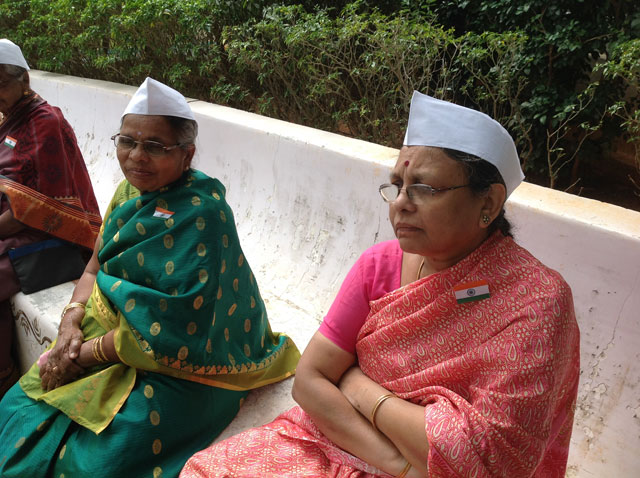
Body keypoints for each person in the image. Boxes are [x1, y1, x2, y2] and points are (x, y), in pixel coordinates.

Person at [180, 91, 580, 478]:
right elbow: (310, 381)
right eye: (398, 186)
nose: (401, 203)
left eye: (425, 188)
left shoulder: (535, 302)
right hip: (337, 443)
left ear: (489, 204)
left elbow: (485, 459)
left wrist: (357, 386)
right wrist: (399, 464)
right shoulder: (379, 265)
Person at [0, 77, 300, 477]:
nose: (136, 156)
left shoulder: (203, 214)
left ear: (187, 154)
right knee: (16, 408)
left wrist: (78, 356)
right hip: (106, 330)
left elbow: (173, 328)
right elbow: (95, 265)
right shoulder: (128, 192)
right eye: (127, 142)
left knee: (95, 462)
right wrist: (71, 321)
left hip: (182, 359)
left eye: (155, 147)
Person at [0, 39, 101, 399]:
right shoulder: (9, 116)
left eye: (1, 83)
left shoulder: (45, 122)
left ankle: (4, 378)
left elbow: (40, 209)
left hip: (58, 236)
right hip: (16, 225)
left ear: (24, 79)